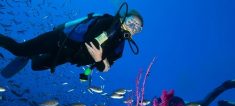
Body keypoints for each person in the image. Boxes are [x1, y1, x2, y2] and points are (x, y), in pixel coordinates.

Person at [0, 7, 143, 78]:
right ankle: (26, 52)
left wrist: (100, 60)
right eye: (131, 21)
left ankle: (30, 55)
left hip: (67, 57)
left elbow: (106, 68)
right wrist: (101, 59)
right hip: (60, 40)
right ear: (124, 18)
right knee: (18, 49)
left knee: (36, 66)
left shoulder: (120, 47)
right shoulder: (108, 22)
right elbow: (89, 40)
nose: (133, 27)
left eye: (138, 27)